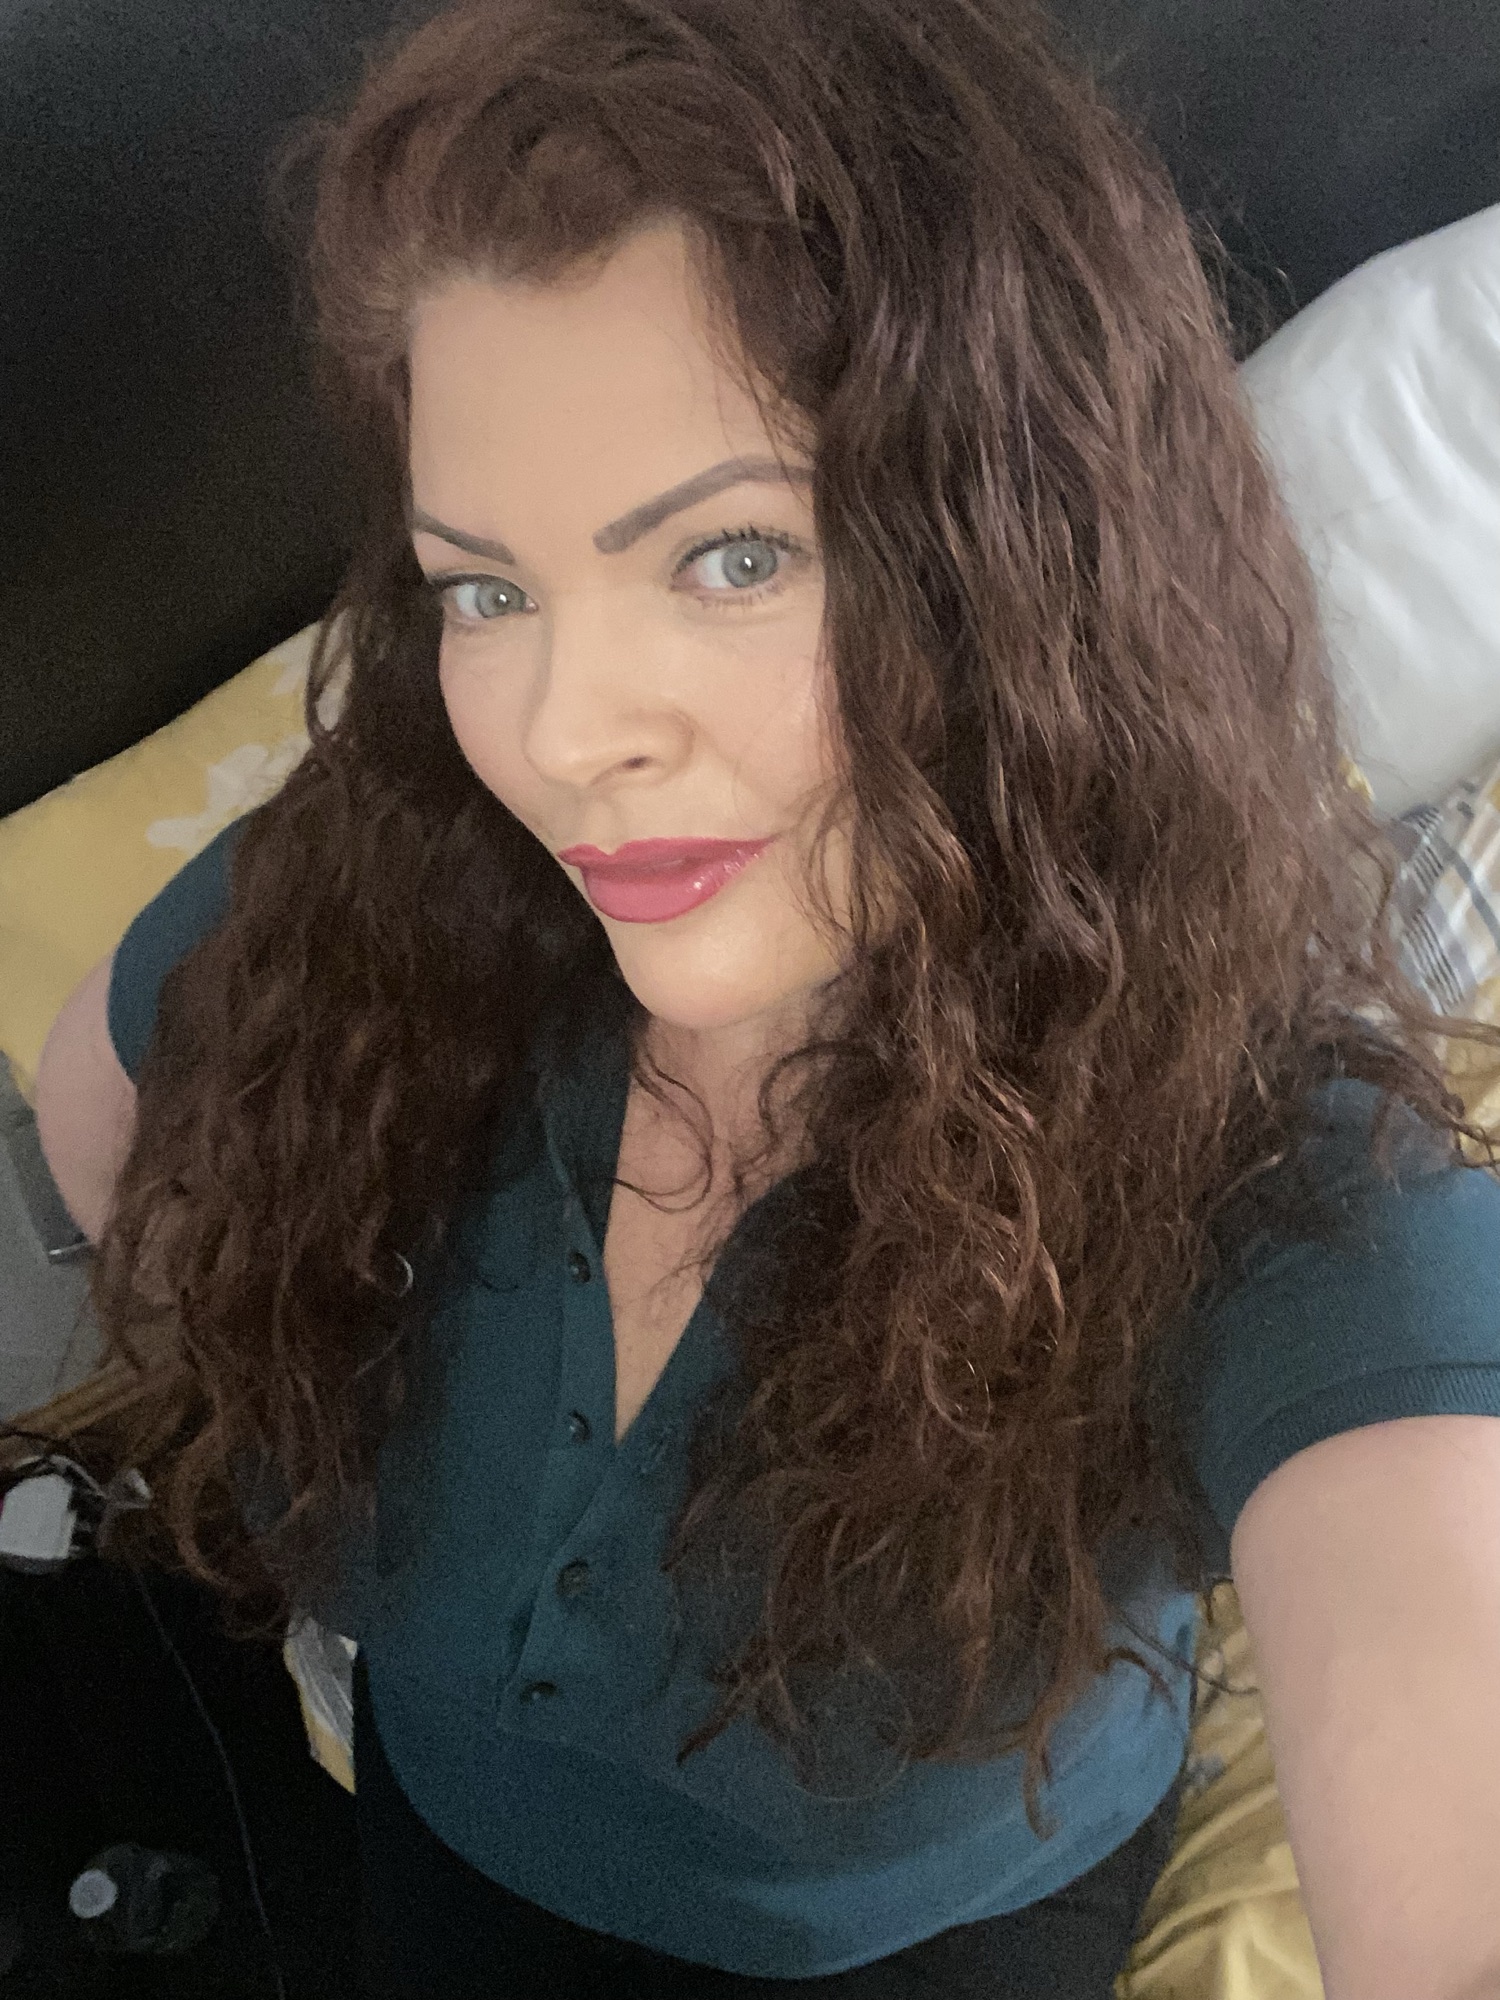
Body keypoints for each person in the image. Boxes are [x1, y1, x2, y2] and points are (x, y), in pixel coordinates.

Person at [32, 0, 1500, 1993]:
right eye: (490, 588)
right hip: (437, 1838)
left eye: (731, 557)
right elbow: (103, 1111)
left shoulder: (1261, 1163)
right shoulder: (378, 888)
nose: (566, 734)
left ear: (1035, 559)